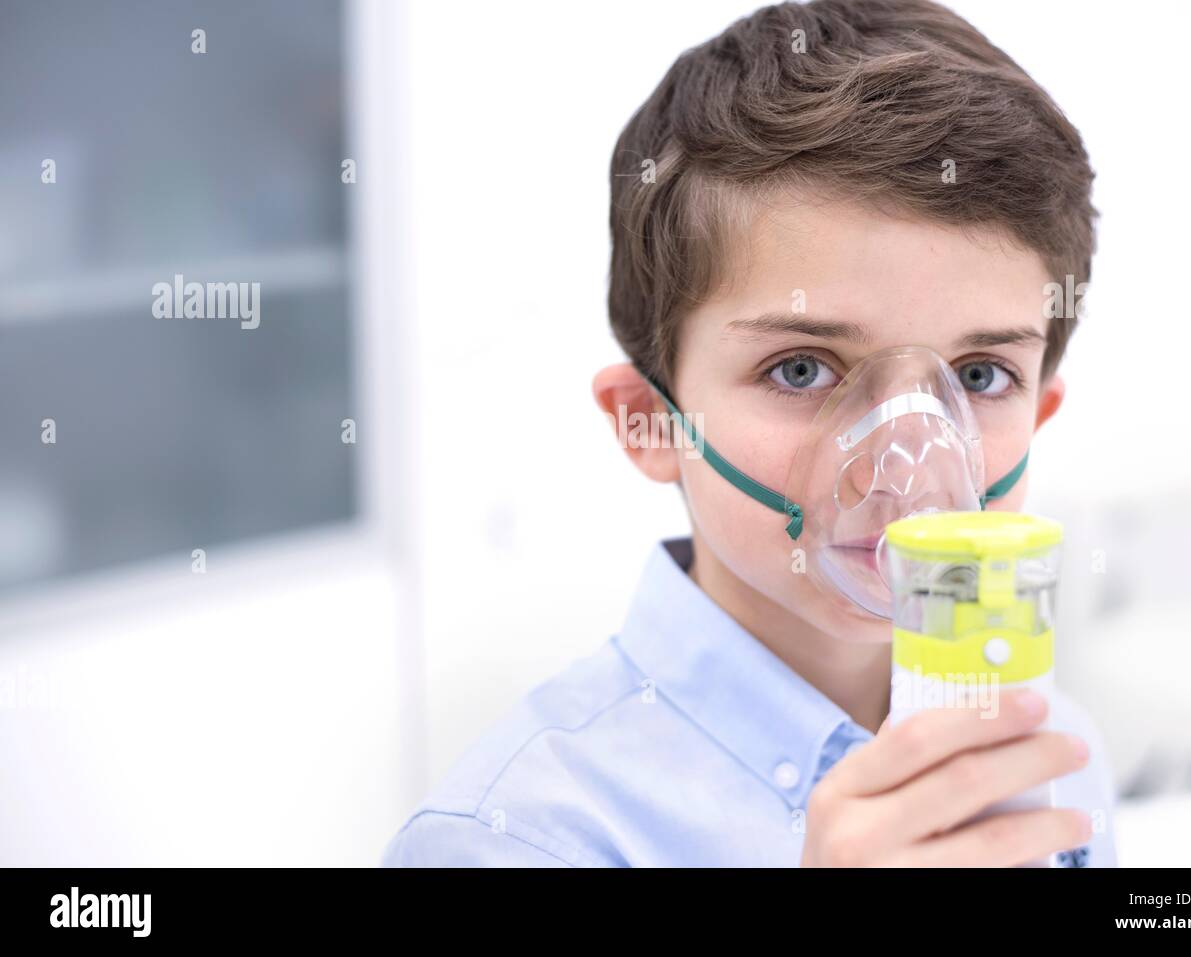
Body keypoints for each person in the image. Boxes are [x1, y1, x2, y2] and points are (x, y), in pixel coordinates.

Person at [383, 0, 1117, 867]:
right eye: (803, 369)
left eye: (978, 376)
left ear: (1038, 413)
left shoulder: (1046, 758)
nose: (907, 463)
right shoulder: (517, 838)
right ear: (651, 421)